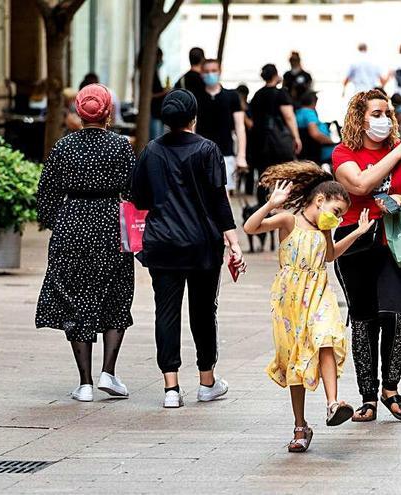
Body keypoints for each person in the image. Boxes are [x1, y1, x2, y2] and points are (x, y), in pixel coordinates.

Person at [243, 162, 373, 452]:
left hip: (319, 293)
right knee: (295, 361)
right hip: (290, 299)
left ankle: (332, 403)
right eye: (335, 211)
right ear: (319, 200)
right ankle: (300, 426)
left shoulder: (325, 229)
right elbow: (251, 228)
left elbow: (329, 256)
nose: (337, 218)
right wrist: (271, 204)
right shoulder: (289, 220)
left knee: (326, 338)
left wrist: (356, 233)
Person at [131, 89, 245, 409]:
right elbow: (219, 201)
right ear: (194, 117)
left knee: (166, 312)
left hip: (163, 243)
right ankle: (206, 380)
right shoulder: (208, 149)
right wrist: (234, 243)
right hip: (202, 245)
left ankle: (170, 387)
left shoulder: (152, 151)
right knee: (203, 311)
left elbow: (138, 198)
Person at [331, 88, 401, 422]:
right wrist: (396, 153)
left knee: (396, 313)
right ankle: (368, 397)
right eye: (376, 113)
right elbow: (359, 185)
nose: (384, 120)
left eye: (387, 113)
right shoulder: (343, 154)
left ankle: (391, 388)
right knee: (363, 317)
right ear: (359, 118)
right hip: (355, 242)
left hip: (398, 241)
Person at [35, 84, 135, 402]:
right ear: (107, 113)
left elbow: (46, 189)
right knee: (115, 294)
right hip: (110, 223)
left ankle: (86, 382)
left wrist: (54, 221)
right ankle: (109, 371)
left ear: (79, 112)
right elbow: (134, 191)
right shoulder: (120, 146)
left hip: (72, 223)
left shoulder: (64, 146)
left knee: (75, 297)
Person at [248, 64, 302, 204]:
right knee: (282, 173)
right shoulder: (281, 93)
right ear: (275, 75)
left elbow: (251, 118)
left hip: (259, 140)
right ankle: (279, 205)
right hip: (278, 142)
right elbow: (289, 117)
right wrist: (296, 137)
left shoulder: (257, 94)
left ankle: (262, 206)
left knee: (263, 175)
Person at [196, 59, 247, 193]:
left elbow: (240, 127)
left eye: (213, 71)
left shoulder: (232, 96)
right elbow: (191, 127)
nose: (210, 74)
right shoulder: (196, 96)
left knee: (224, 194)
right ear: (201, 73)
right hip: (200, 154)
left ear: (219, 72)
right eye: (206, 72)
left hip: (225, 153)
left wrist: (241, 155)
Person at [295, 91, 337, 165]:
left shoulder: (298, 112)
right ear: (314, 102)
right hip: (319, 152)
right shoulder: (309, 113)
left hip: (306, 151)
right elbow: (315, 134)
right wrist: (332, 142)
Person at [150, 48, 169, 139]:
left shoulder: (154, 73)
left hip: (157, 113)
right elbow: (149, 95)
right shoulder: (149, 74)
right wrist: (164, 92)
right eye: (160, 57)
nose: (161, 60)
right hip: (153, 113)